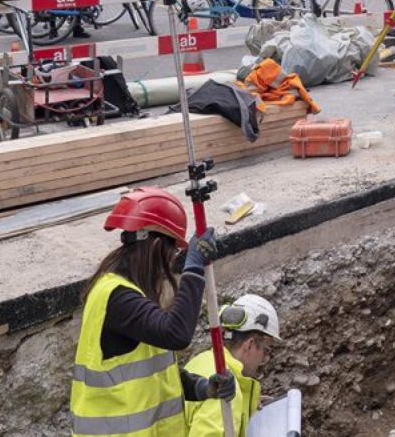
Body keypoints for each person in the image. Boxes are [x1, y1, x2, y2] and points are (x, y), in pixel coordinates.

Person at [70, 187, 232, 437]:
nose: (171, 262)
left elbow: (153, 375)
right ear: (157, 246)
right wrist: (193, 269)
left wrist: (200, 388)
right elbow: (176, 334)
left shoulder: (130, 294)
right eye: (174, 252)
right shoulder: (116, 297)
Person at [182, 294, 278, 437]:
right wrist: (236, 401)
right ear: (250, 344)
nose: (266, 359)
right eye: (266, 350)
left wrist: (246, 405)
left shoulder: (201, 361)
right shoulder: (227, 392)